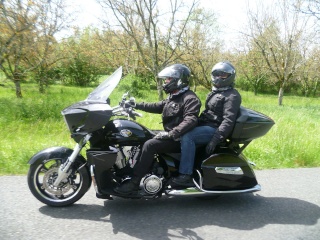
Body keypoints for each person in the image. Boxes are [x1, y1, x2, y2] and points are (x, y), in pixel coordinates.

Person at [114, 64, 201, 195]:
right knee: (141, 136)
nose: (165, 82)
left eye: (168, 79)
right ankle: (130, 171)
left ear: (179, 80)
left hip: (179, 138)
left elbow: (191, 120)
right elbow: (157, 106)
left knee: (150, 145)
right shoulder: (175, 96)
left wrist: (171, 134)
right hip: (170, 134)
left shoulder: (190, 98)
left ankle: (134, 183)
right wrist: (135, 104)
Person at [172, 61, 242, 187]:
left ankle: (185, 175)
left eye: (223, 75)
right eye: (216, 74)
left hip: (214, 129)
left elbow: (228, 120)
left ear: (230, 77)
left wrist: (215, 140)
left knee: (189, 136)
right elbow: (207, 113)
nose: (219, 78)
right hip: (206, 125)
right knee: (181, 129)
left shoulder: (232, 95)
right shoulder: (215, 92)